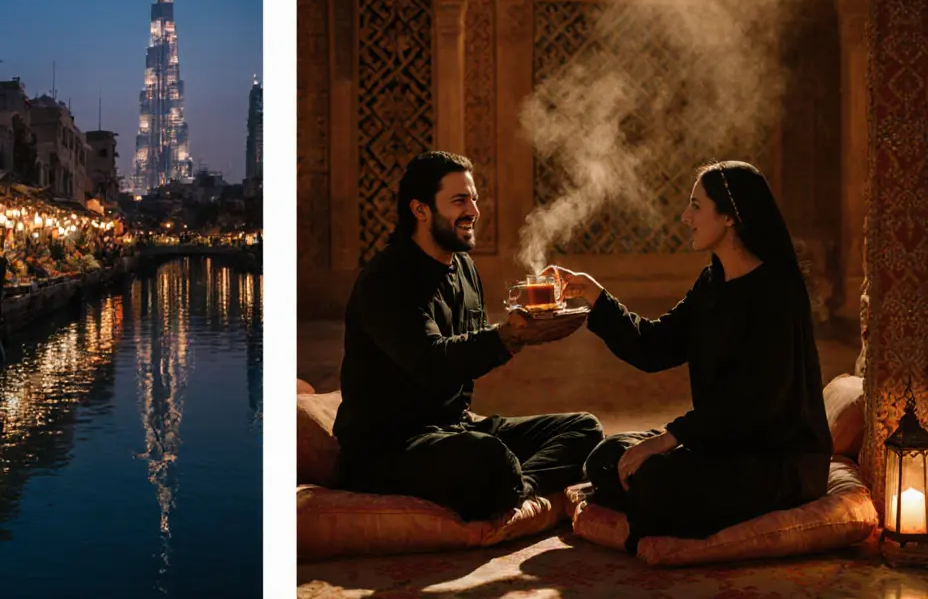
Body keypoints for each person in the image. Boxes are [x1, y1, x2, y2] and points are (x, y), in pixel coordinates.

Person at [545, 160, 832, 554]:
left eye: (696, 206)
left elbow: (756, 404)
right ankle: (650, 503)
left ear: (729, 216)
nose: (686, 217)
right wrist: (595, 295)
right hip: (720, 447)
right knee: (607, 459)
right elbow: (652, 345)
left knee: (656, 484)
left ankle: (648, 508)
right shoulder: (711, 284)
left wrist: (669, 439)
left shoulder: (777, 292)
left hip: (776, 458)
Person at [333, 151, 604, 522]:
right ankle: (510, 483)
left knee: (584, 428)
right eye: (460, 200)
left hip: (455, 428)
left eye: (474, 198)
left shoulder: (463, 268)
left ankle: (515, 488)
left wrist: (522, 332)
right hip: (390, 445)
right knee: (485, 456)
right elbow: (431, 364)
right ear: (420, 209)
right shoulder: (387, 279)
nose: (474, 211)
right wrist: (507, 337)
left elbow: (470, 353)